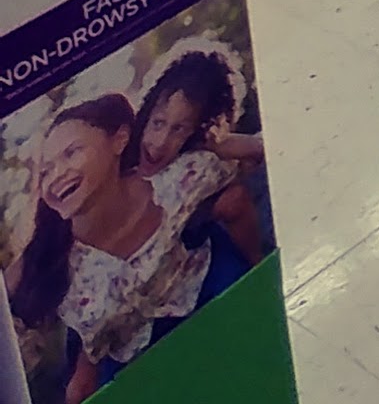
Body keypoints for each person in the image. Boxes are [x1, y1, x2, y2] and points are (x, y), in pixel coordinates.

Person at [6, 94, 245, 399]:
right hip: (136, 356)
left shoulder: (174, 182)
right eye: (45, 171)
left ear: (119, 140)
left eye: (71, 152)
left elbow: (240, 180)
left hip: (207, 300)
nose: (57, 175)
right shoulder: (55, 262)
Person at [132, 44, 267, 269]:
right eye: (158, 123)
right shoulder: (123, 150)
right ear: (146, 113)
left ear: (196, 131)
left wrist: (219, 144)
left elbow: (259, 149)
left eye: (179, 129)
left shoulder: (194, 161)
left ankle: (260, 266)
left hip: (186, 244)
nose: (161, 142)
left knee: (234, 198)